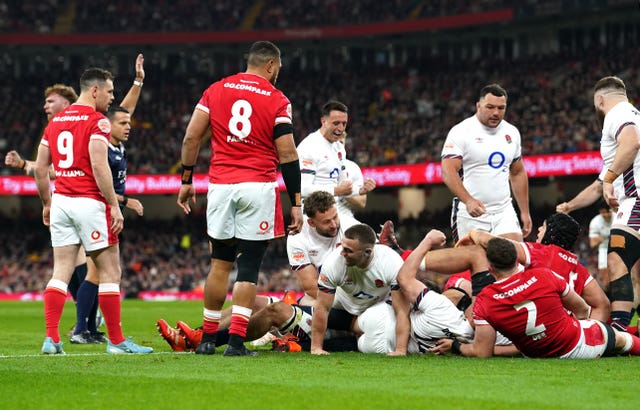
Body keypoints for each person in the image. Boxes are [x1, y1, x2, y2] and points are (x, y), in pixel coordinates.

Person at [177, 41, 303, 356]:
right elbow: (287, 153)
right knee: (248, 267)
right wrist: (297, 203)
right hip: (257, 187)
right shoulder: (277, 99)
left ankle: (206, 340)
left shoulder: (215, 90)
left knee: (219, 264)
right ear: (271, 65)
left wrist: (187, 179)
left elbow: (192, 136)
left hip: (220, 185)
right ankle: (234, 343)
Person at [35, 67, 152, 355]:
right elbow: (100, 166)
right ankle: (116, 341)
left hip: (61, 199)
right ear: (95, 90)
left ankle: (52, 339)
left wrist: (46, 203)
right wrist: (114, 205)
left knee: (60, 270)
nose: (113, 97)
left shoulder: (56, 122)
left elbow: (40, 168)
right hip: (89, 201)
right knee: (111, 271)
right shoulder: (97, 122)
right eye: (111, 91)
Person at [431, 238, 640, 358]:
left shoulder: (485, 300)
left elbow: (482, 351)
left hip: (538, 353)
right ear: (516, 259)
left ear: (490, 268)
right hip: (579, 342)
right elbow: (583, 309)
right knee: (621, 339)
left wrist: (455, 346)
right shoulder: (544, 275)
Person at [441, 83, 531, 243]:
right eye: (490, 107)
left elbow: (517, 172)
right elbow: (448, 172)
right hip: (470, 213)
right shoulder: (461, 131)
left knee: (514, 259)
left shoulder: (512, 132)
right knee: (476, 265)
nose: (496, 112)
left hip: (504, 211)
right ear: (478, 106)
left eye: (501, 108)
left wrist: (524, 212)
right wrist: (468, 200)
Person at [310, 224, 410, 356]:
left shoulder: (391, 262)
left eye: (348, 250)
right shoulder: (333, 263)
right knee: (304, 320)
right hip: (341, 308)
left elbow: (401, 310)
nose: (342, 252)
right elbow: (322, 308)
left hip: (374, 309)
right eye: (342, 246)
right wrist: (316, 348)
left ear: (367, 252)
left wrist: (401, 350)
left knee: (376, 342)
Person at [593, 75, 640, 332]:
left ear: (600, 100)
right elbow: (598, 184)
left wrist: (610, 179)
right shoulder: (634, 113)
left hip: (637, 199)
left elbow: (632, 142)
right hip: (631, 200)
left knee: (617, 259)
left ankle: (619, 328)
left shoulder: (616, 113)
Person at [297, 101, 375, 217]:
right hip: (313, 215)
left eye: (344, 124)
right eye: (336, 123)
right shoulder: (309, 147)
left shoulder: (339, 148)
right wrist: (336, 191)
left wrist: (360, 190)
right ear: (323, 121)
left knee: (365, 234)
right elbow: (302, 189)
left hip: (334, 213)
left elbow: (343, 186)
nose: (340, 128)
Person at [588, 204, 613, 292]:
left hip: (621, 246)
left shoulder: (618, 216)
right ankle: (609, 297)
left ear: (612, 209)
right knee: (605, 278)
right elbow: (592, 244)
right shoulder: (595, 222)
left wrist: (602, 237)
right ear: (600, 212)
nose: (606, 214)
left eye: (608, 212)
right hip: (604, 249)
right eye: (603, 212)